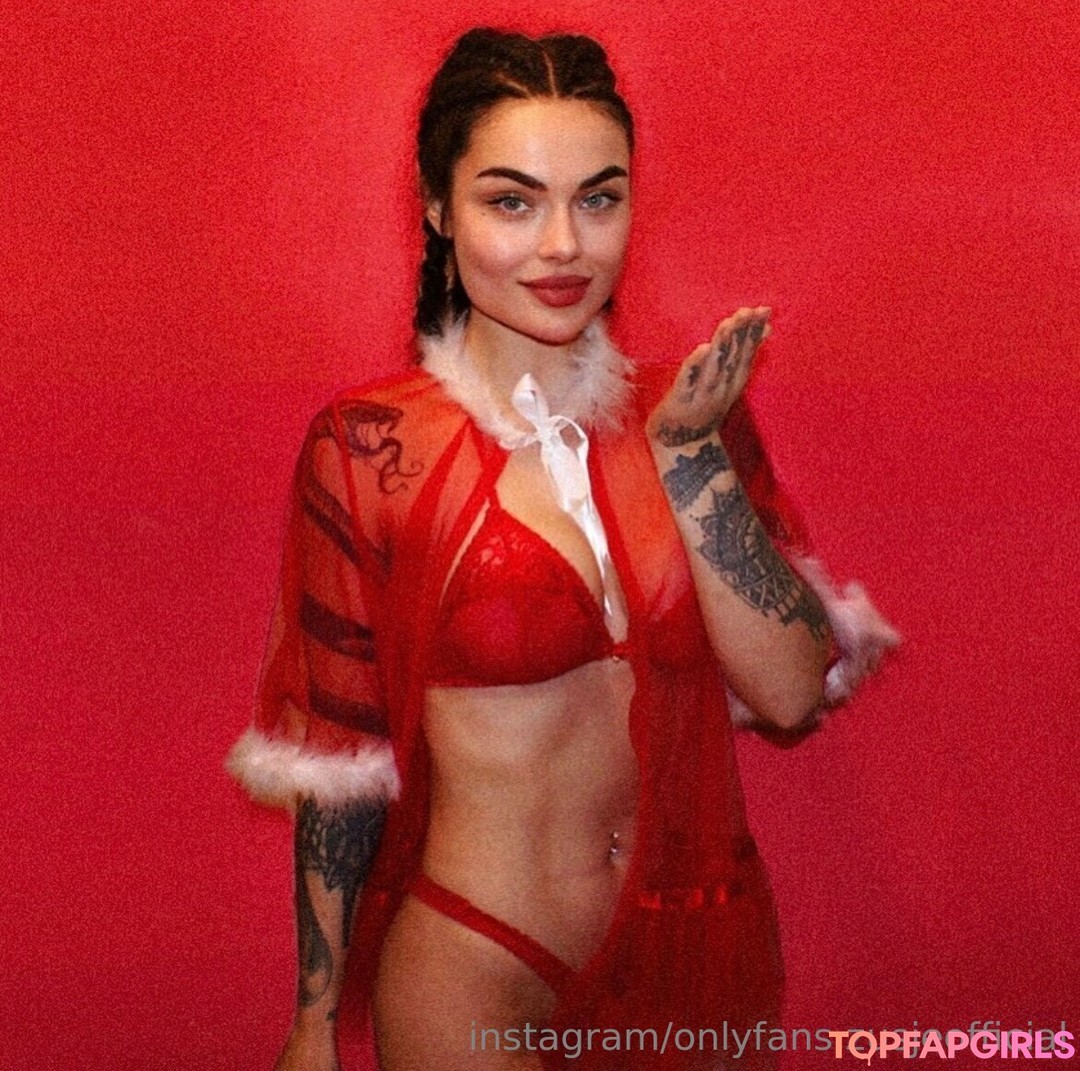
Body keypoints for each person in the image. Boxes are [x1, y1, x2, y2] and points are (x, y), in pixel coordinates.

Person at [227, 27, 898, 1071]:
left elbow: (790, 692)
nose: (563, 245)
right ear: (438, 209)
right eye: (512, 202)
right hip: (476, 958)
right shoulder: (372, 448)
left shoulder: (691, 413)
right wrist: (315, 1024)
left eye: (598, 199)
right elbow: (339, 754)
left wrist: (689, 456)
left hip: (689, 957)